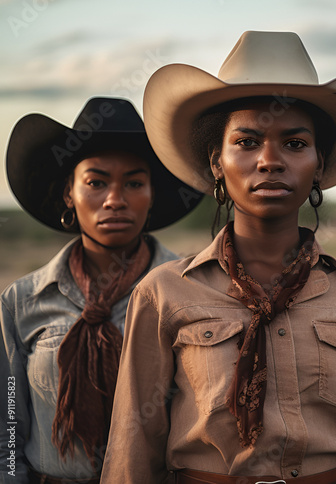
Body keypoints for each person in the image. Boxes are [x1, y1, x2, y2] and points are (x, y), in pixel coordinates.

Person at [100, 31, 336, 484]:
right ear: (217, 163)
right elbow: (134, 448)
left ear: (320, 167)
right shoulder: (163, 292)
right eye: (247, 142)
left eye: (294, 144)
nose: (269, 160)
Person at [0, 97, 203, 483]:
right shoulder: (21, 302)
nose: (114, 199)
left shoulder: (189, 290)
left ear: (152, 195)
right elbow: (8, 426)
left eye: (134, 183)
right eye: (95, 182)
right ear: (69, 195)